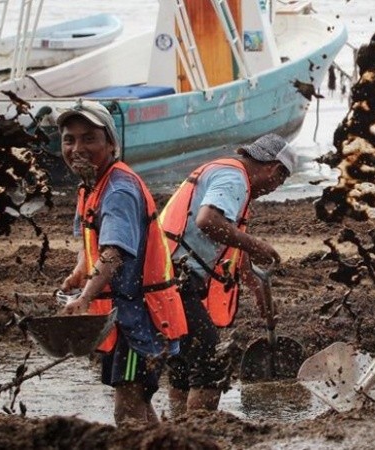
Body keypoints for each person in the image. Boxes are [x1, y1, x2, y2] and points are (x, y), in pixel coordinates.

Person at [57, 100, 188, 425]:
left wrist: (85, 297)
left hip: (141, 321)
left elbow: (113, 252)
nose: (77, 148)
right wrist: (79, 272)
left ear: (111, 144)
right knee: (140, 406)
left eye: (89, 138)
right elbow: (93, 244)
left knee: (127, 412)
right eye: (69, 139)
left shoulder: (117, 190)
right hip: (127, 317)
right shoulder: (91, 186)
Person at [159, 133, 299, 414]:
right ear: (273, 168)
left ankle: (179, 427)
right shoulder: (234, 178)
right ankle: (200, 432)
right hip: (174, 275)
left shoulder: (228, 173)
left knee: (185, 360)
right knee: (209, 358)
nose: (274, 188)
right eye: (280, 180)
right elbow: (208, 220)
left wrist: (258, 291)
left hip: (164, 272)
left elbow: (234, 245)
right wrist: (256, 244)